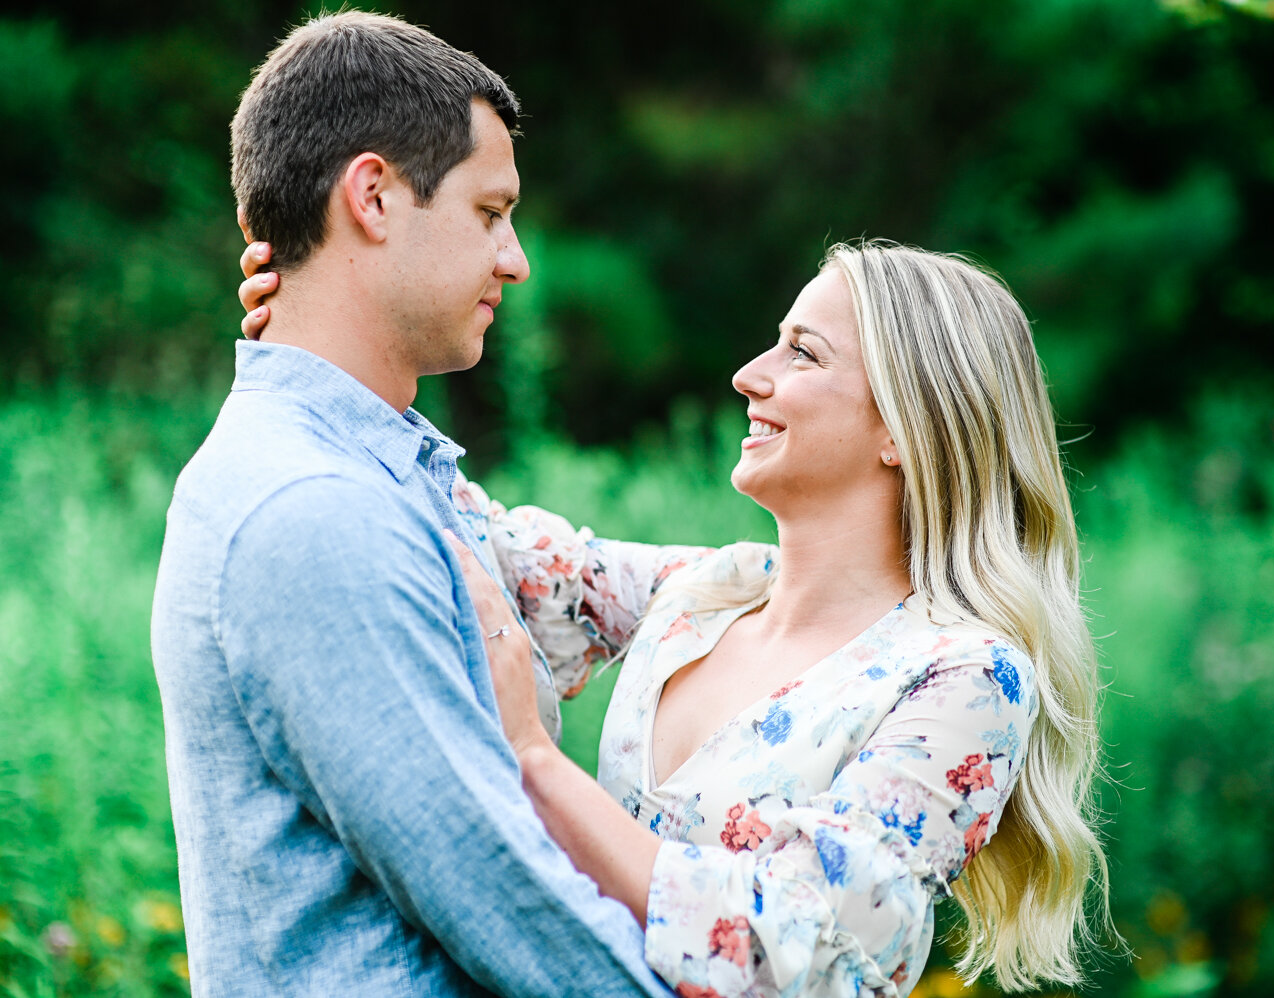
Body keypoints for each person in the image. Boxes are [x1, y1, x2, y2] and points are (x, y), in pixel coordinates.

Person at [239, 240, 1112, 995]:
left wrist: (537, 761)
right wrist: (324, 327)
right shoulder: (707, 595)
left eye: (802, 354)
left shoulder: (965, 676)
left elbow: (794, 956)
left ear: (904, 425)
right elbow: (468, 539)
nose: (749, 375)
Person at [152, 11, 674, 996]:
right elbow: (501, 892)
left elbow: (623, 584)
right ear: (376, 196)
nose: (515, 258)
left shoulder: (376, 472)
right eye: (490, 212)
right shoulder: (313, 507)